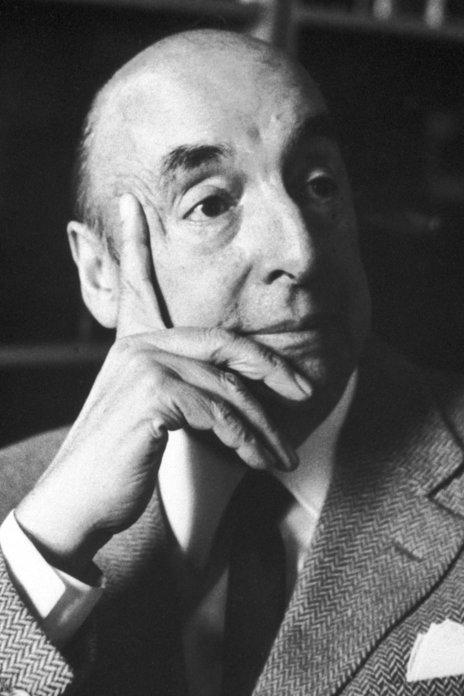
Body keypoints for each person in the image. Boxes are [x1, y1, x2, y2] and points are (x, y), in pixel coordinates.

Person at [1, 28, 464, 696]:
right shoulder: (22, 519)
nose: (300, 252)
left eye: (319, 185)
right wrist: (42, 558)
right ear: (101, 273)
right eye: (212, 203)